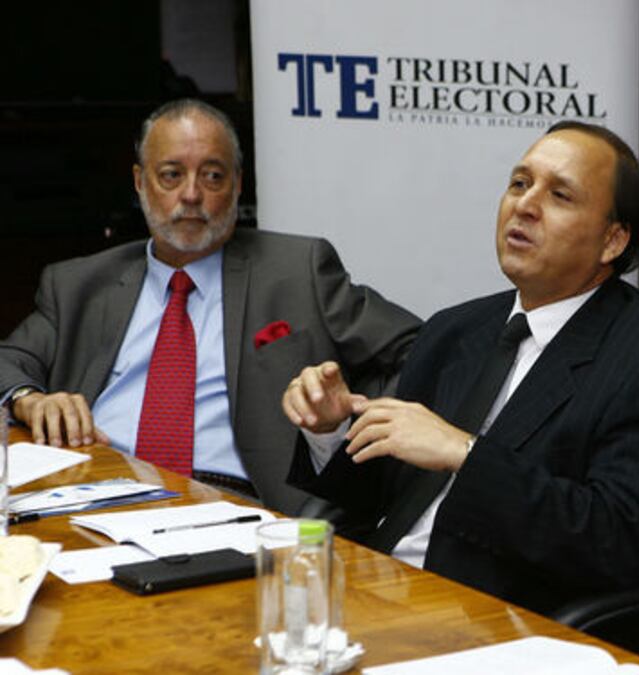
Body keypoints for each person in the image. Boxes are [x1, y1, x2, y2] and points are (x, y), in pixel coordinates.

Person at [282, 121, 639, 614]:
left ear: (612, 241)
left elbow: (616, 542)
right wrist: (333, 430)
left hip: (495, 617)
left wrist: (464, 454)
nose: (524, 205)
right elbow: (381, 496)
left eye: (560, 195)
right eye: (519, 183)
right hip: (374, 587)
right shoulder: (454, 330)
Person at [0, 99, 421, 513]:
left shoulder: (298, 269)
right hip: (92, 491)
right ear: (140, 182)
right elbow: (10, 361)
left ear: (237, 185)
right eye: (171, 175)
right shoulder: (80, 283)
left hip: (232, 503)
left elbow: (421, 350)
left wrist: (346, 428)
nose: (191, 194)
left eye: (213, 176)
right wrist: (29, 399)